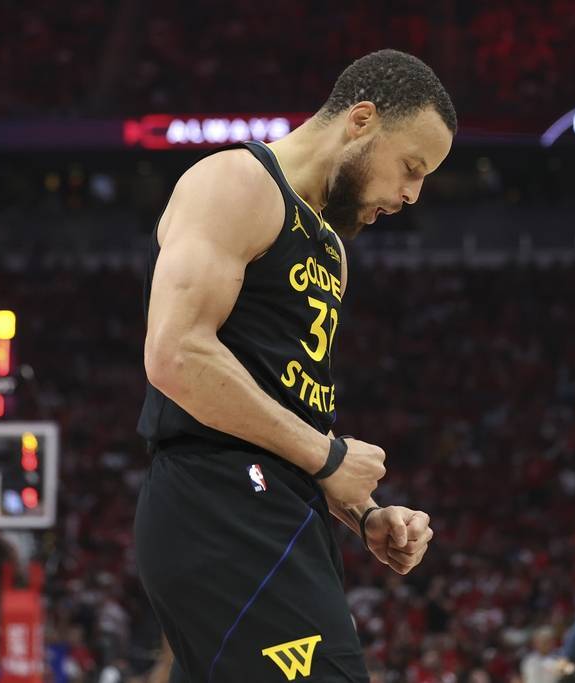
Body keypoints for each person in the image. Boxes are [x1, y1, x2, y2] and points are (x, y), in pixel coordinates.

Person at [134, 49, 455, 681]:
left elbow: (288, 416)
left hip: (280, 505)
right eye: (411, 168)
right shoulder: (236, 182)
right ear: (361, 121)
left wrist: (363, 512)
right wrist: (329, 458)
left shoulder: (330, 250)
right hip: (220, 500)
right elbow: (175, 354)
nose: (411, 195)